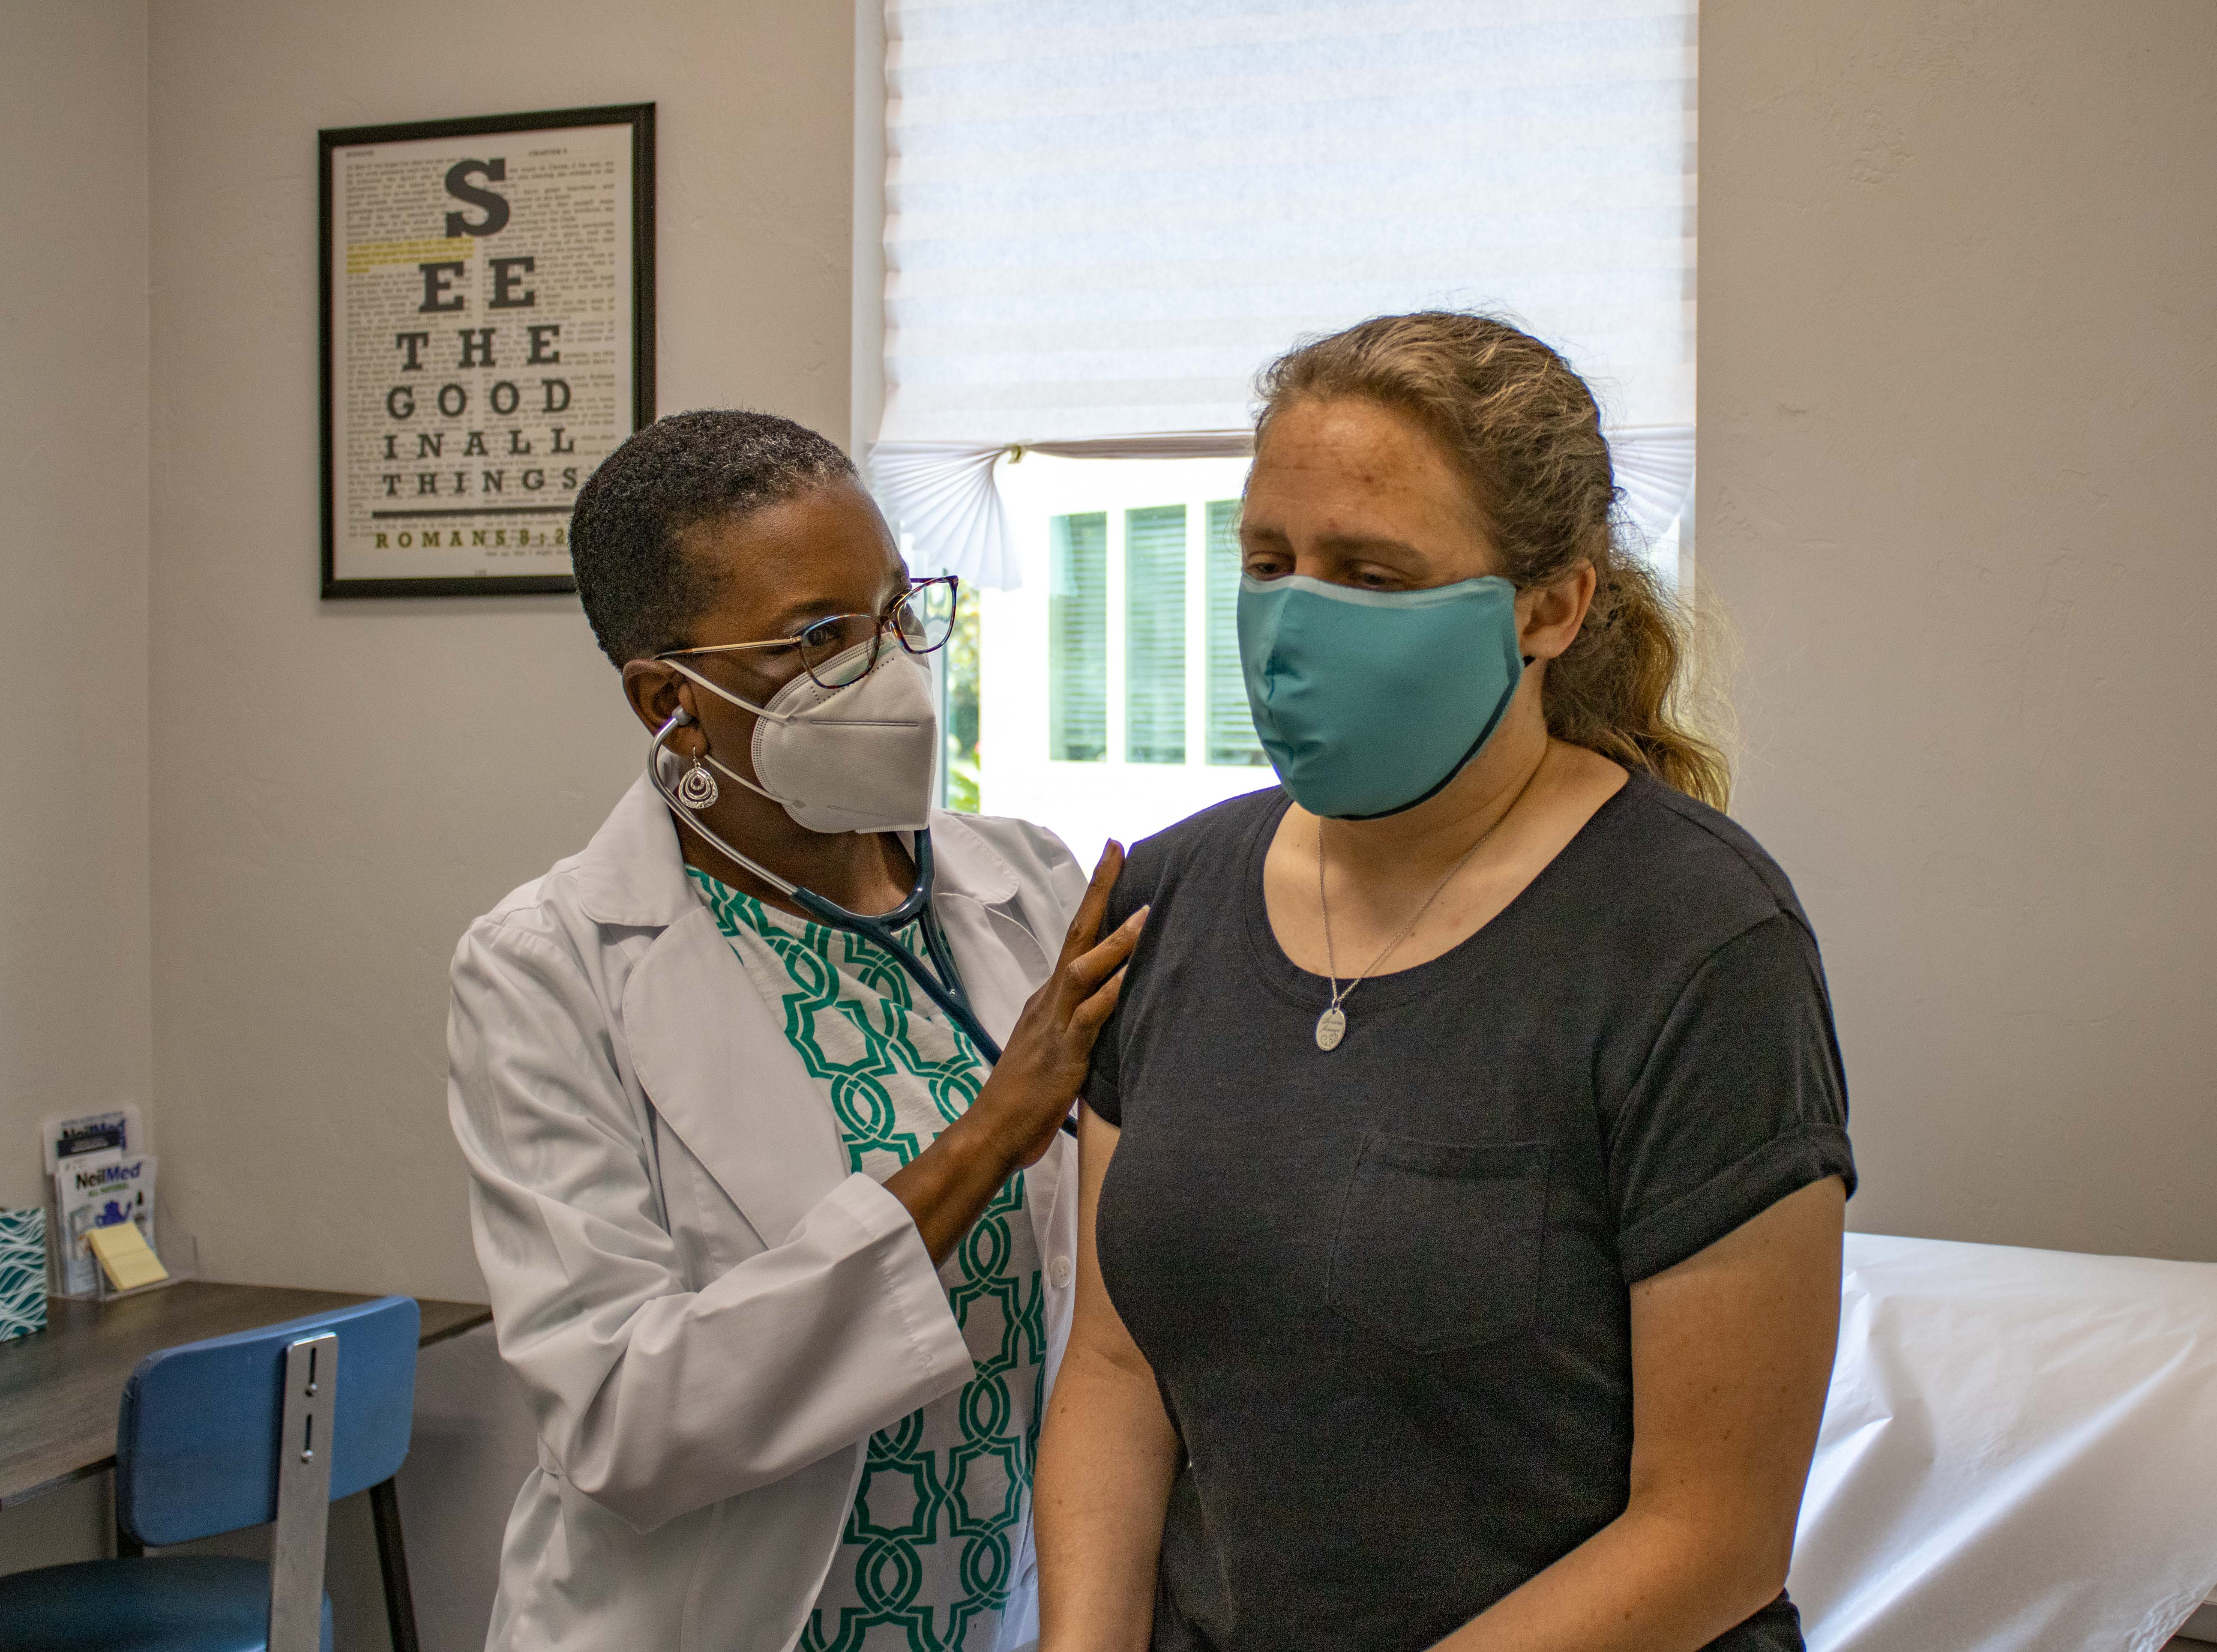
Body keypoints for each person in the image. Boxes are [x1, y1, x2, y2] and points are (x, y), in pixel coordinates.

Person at [1033, 314, 1857, 1652]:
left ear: (1551, 607)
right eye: (1268, 562)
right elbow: (1123, 1375)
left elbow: (1712, 1532)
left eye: (1370, 573)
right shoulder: (1167, 901)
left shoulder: (1696, 940)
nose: (1297, 620)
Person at [448, 411, 1141, 1652]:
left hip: (996, 1606)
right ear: (672, 701)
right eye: (819, 638)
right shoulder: (549, 971)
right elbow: (620, 1418)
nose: (888, 664)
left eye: (894, 609)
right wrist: (985, 1142)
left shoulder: (1020, 885)